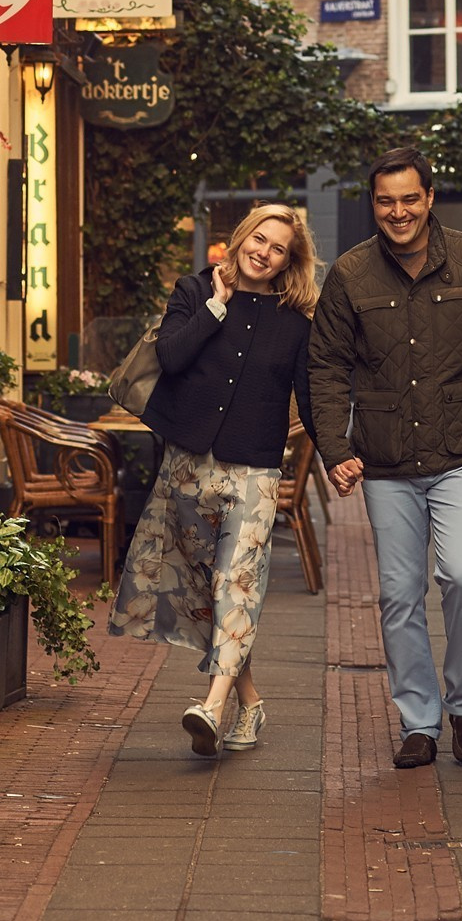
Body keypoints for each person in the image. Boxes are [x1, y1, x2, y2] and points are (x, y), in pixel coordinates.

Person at [309, 147, 462, 770]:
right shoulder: (351, 275)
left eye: (410, 198)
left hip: (460, 448)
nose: (399, 211)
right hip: (385, 459)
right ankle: (420, 722)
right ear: (374, 205)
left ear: (430, 198)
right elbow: (325, 367)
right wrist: (335, 447)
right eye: (386, 201)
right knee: (399, 595)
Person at [109, 203, 319, 758]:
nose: (264, 252)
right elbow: (172, 359)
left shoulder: (297, 319)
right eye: (258, 239)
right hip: (188, 465)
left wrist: (344, 455)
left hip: (255, 467)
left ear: (287, 261)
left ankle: (213, 703)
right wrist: (215, 306)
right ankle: (250, 701)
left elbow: (312, 395)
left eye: (278, 249)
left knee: (238, 581)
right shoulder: (192, 289)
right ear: (240, 238)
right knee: (210, 587)